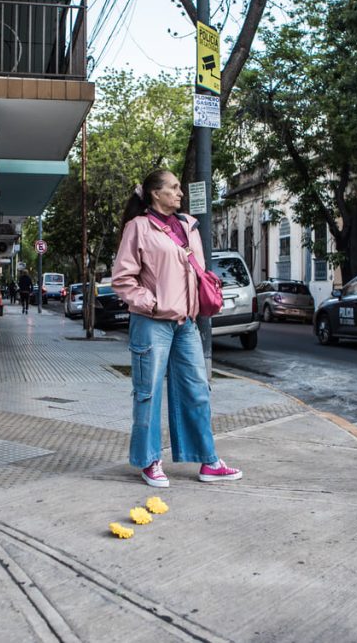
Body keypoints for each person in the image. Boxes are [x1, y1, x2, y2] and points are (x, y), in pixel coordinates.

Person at [111, 169, 242, 488]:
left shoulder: (188, 226)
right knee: (149, 392)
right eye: (173, 187)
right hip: (151, 322)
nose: (179, 192)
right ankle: (149, 461)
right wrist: (151, 303)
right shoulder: (138, 227)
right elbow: (122, 279)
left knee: (197, 391)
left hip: (186, 323)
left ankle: (208, 460)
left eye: (179, 187)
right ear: (155, 193)